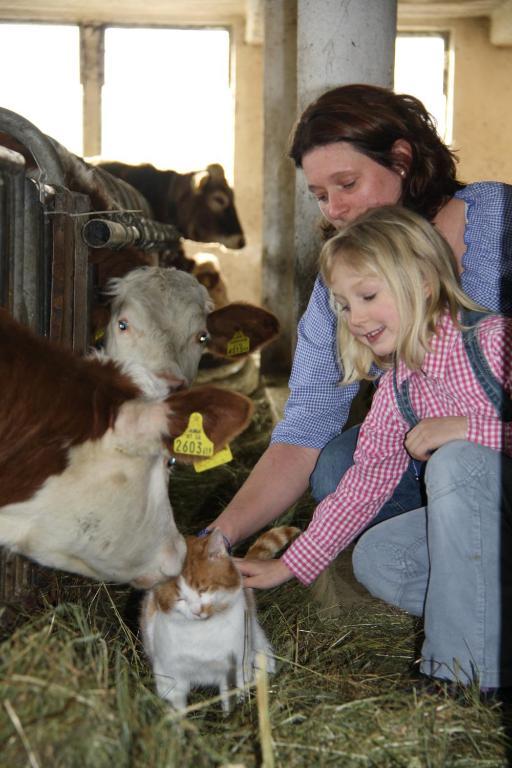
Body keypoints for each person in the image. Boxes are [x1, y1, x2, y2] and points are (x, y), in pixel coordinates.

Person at [208, 84, 512, 555]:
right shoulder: (345, 280)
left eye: (347, 185)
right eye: (320, 195)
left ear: (401, 160)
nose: (335, 209)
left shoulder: (497, 223)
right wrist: (218, 537)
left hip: (497, 440)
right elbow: (306, 427)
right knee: (336, 468)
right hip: (428, 454)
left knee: (454, 462)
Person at [241, 205, 512, 690]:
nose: (356, 317)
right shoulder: (398, 388)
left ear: (425, 281)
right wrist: (288, 564)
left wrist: (469, 429)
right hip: (490, 536)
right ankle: (485, 633)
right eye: (344, 304)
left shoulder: (495, 342)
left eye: (367, 295)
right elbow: (362, 487)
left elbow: (468, 448)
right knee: (381, 556)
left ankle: (455, 675)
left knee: (458, 462)